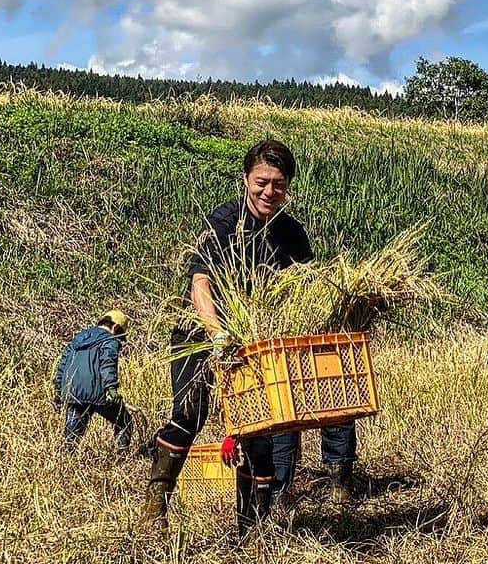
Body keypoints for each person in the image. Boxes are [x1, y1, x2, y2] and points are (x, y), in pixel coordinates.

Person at [140, 138, 358, 534]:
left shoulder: (292, 235)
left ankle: (250, 529)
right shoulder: (224, 222)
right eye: (261, 181)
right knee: (188, 417)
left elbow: (308, 291)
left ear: (288, 186)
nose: (268, 191)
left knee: (258, 430)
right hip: (202, 335)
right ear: (246, 179)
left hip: (255, 345)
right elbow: (200, 284)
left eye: (278, 184)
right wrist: (219, 334)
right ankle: (156, 506)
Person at [53, 310, 133, 458]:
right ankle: (123, 459)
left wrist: (59, 392)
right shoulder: (110, 340)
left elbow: (62, 365)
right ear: (115, 328)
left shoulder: (77, 338)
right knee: (124, 420)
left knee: (73, 432)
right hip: (95, 392)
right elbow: (107, 364)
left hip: (71, 391)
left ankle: (64, 460)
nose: (120, 340)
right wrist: (111, 388)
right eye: (121, 335)